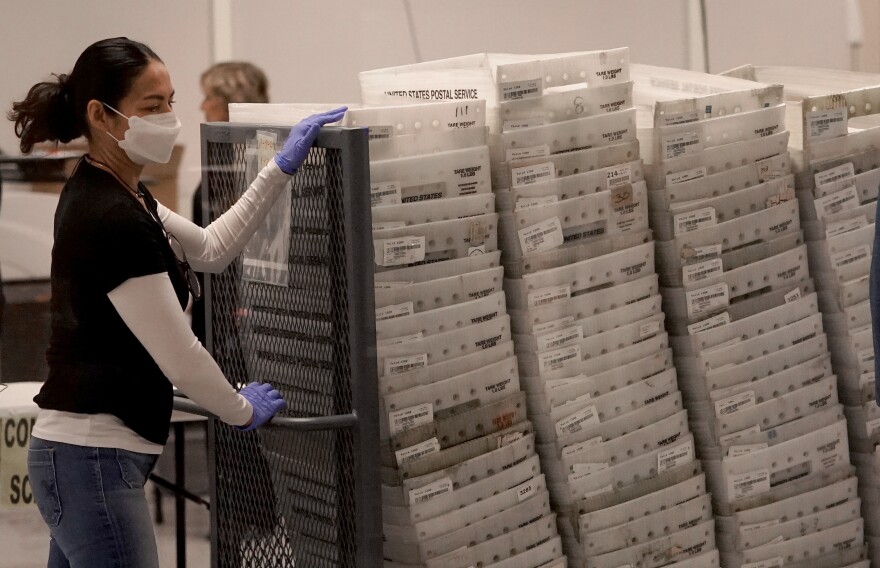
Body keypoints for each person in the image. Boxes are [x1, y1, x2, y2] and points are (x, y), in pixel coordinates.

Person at [7, 36, 345, 568]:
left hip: (89, 460)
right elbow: (179, 353)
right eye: (152, 105)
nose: (170, 116)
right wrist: (239, 410)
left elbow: (210, 249)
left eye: (170, 101)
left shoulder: (125, 193)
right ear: (101, 114)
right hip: (91, 457)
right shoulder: (108, 215)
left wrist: (277, 169)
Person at [192, 61, 270, 344]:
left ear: (230, 102)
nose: (203, 106)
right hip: (214, 298)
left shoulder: (254, 160)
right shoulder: (222, 157)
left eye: (209, 97)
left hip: (238, 306)